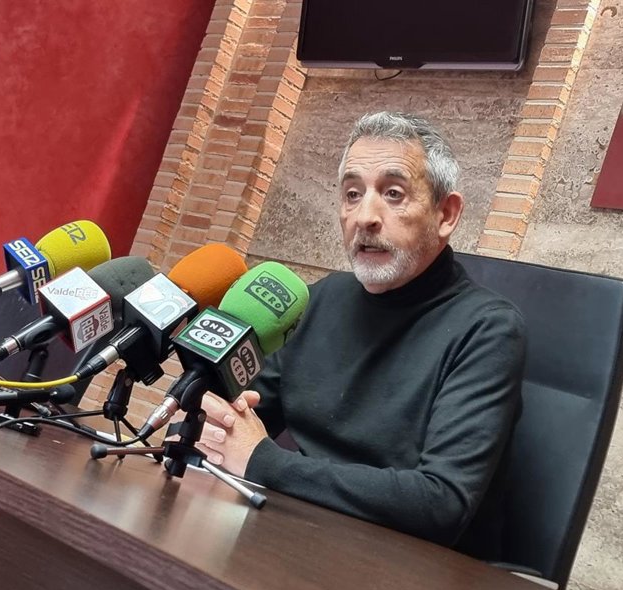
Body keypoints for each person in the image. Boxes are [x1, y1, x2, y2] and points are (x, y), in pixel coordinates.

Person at [194, 111, 526, 546]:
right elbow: (248, 415)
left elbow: (441, 502)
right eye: (352, 194)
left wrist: (265, 464)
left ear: (446, 214)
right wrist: (212, 420)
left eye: (393, 193)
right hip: (296, 534)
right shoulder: (321, 299)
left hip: (405, 566)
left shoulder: (488, 330)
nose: (365, 216)